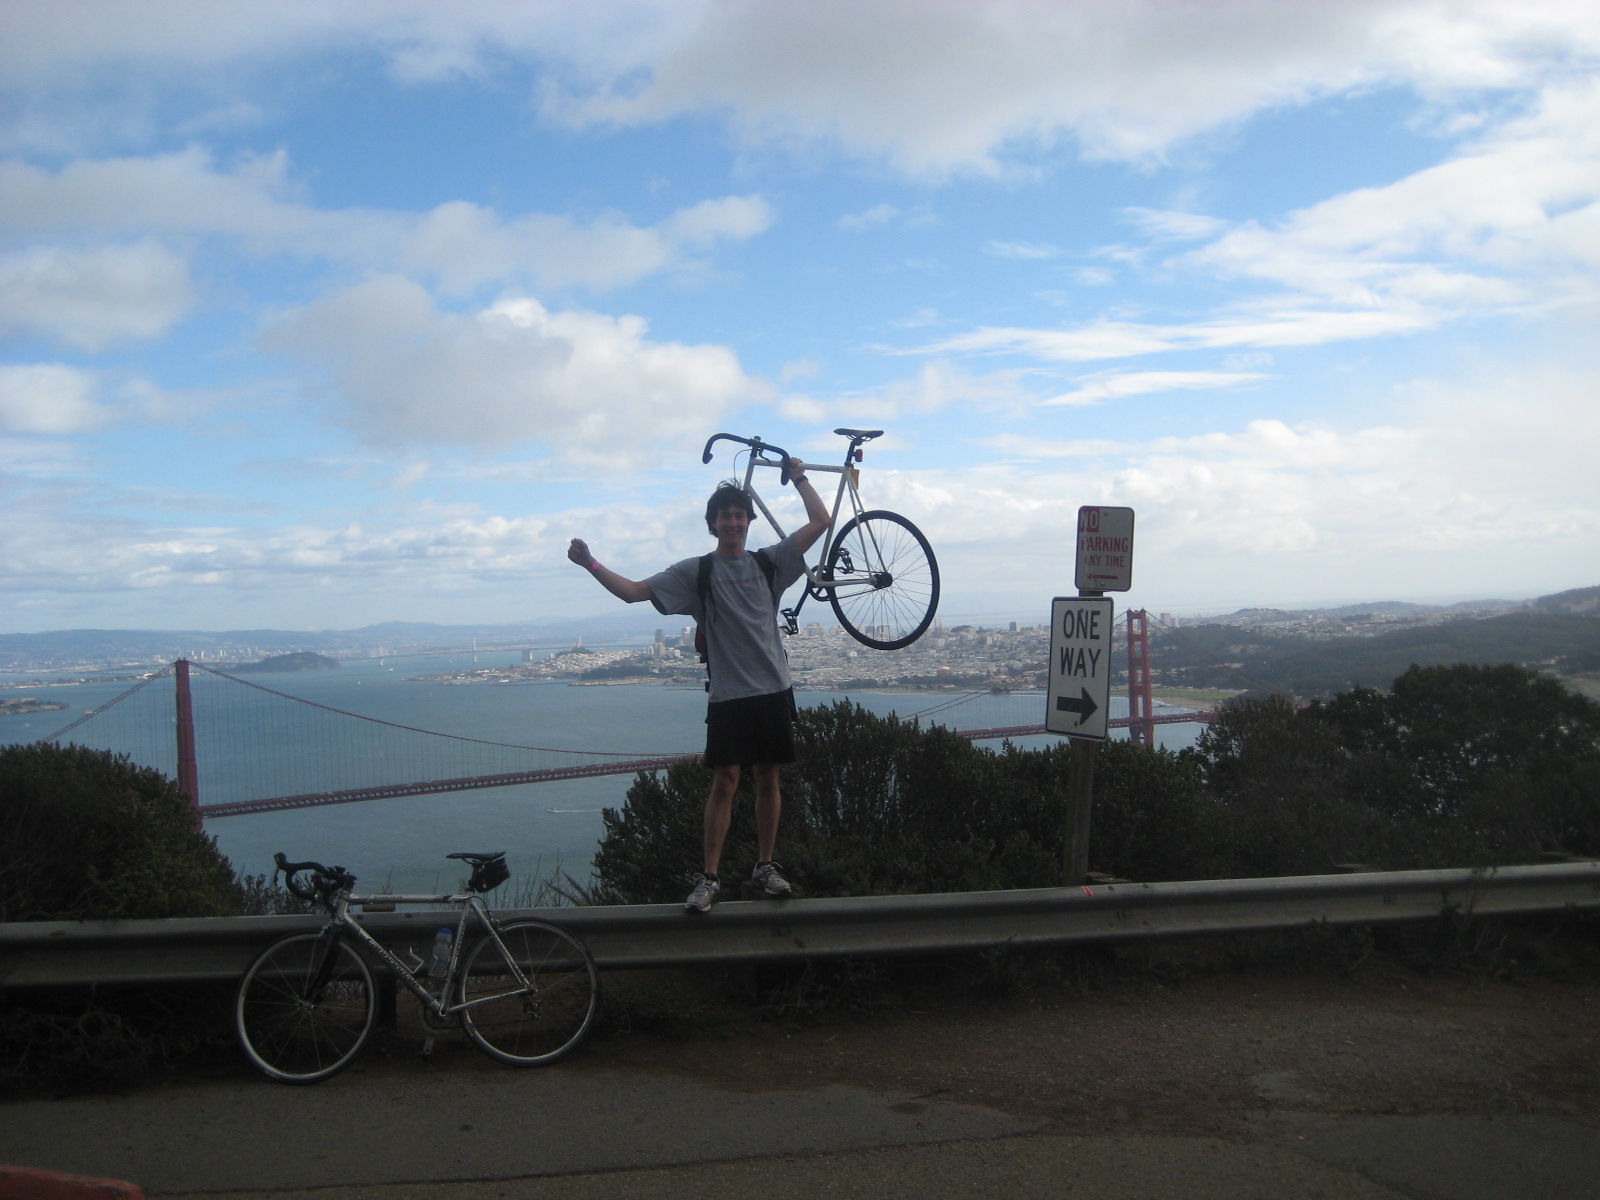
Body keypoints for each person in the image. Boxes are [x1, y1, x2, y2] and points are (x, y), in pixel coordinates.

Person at [568, 460, 832, 912]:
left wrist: (798, 475)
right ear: (712, 524)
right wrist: (590, 562)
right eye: (723, 515)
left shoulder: (771, 562)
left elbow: (821, 521)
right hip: (729, 693)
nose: (732, 521)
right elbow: (633, 592)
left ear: (748, 521)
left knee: (769, 777)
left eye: (738, 513)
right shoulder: (697, 572)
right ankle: (709, 877)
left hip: (773, 687)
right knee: (725, 781)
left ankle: (765, 866)